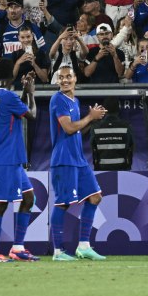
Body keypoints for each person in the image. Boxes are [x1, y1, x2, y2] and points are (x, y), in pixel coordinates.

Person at [49, 64, 108, 261]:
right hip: (64, 159)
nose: (65, 80)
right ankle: (58, 252)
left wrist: (90, 120)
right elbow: (67, 128)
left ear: (75, 79)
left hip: (78, 159)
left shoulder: (75, 100)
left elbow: (76, 130)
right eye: (61, 77)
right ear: (57, 81)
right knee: (63, 203)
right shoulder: (58, 99)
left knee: (95, 197)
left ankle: (83, 246)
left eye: (68, 77)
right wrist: (89, 117)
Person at [0, 58, 38, 262]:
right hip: (6, 157)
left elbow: (16, 107)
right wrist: (31, 91)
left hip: (9, 157)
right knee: (0, 204)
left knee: (28, 198)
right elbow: (31, 114)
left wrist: (24, 90)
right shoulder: (8, 97)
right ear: (12, 74)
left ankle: (17, 248)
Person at [90, 98, 134, 171]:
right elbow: (131, 147)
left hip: (101, 170)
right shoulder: (126, 126)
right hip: (122, 169)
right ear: (118, 108)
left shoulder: (95, 127)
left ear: (103, 109)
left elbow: (93, 147)